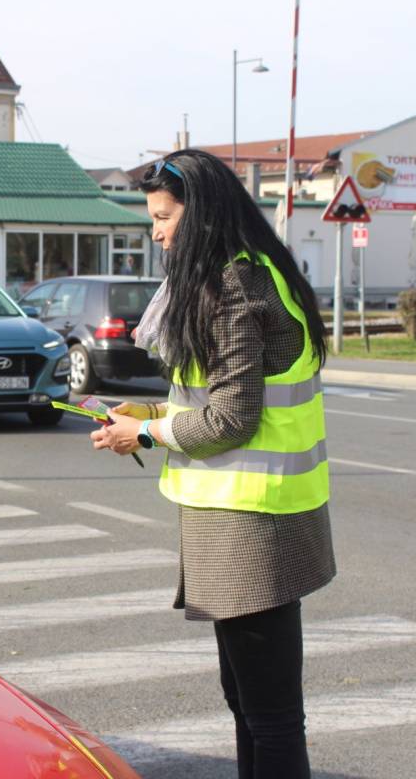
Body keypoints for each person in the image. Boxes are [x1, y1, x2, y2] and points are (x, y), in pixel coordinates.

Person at [90, 150, 335, 778]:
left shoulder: (233, 288)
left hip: (250, 523)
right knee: (251, 704)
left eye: (164, 217)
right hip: (251, 515)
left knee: (269, 714)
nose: (156, 232)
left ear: (200, 214)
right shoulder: (256, 271)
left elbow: (230, 421)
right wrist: (148, 413)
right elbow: (225, 398)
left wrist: (146, 434)